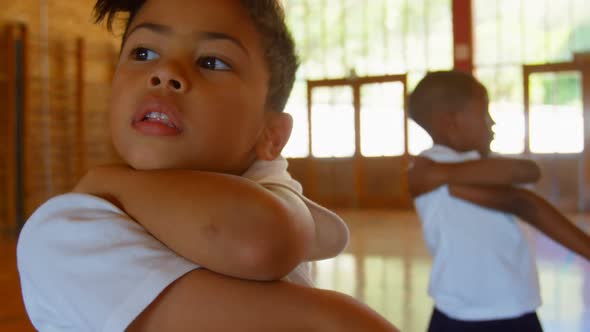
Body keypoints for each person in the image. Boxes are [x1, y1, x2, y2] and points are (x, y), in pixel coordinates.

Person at [16, 0, 399, 331]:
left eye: (212, 61)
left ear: (271, 137)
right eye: (144, 53)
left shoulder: (260, 183)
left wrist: (112, 181)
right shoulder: (65, 233)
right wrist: (333, 316)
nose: (165, 73)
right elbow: (272, 243)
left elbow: (285, 236)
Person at [406, 70, 590, 332]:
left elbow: (526, 174)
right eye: (484, 113)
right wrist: (439, 175)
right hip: (461, 315)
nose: (491, 123)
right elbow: (522, 199)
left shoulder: (441, 171)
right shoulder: (430, 163)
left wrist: (443, 178)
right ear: (451, 123)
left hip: (516, 306)